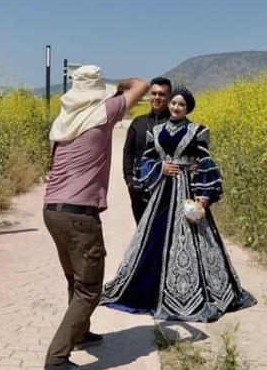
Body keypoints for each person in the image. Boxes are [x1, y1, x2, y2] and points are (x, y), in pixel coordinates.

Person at [101, 87, 256, 322]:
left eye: (181, 104)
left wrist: (203, 197)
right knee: (154, 238)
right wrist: (161, 167)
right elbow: (146, 160)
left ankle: (196, 292)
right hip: (163, 193)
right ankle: (149, 290)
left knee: (194, 239)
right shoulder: (156, 131)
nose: (176, 107)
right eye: (173, 103)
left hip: (187, 190)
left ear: (187, 108)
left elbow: (205, 161)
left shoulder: (198, 131)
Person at [41, 65, 149, 370]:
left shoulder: (60, 123)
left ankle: (81, 333)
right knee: (89, 289)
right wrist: (114, 86)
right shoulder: (103, 113)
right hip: (79, 215)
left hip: (52, 211)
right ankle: (56, 361)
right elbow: (141, 84)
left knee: (73, 279)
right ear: (99, 92)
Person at [123, 77, 172, 224]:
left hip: (167, 188)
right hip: (140, 189)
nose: (157, 97)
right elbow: (128, 152)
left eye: (162, 94)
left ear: (169, 97)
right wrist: (129, 181)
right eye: (154, 93)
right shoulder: (138, 122)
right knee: (142, 229)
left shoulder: (176, 123)